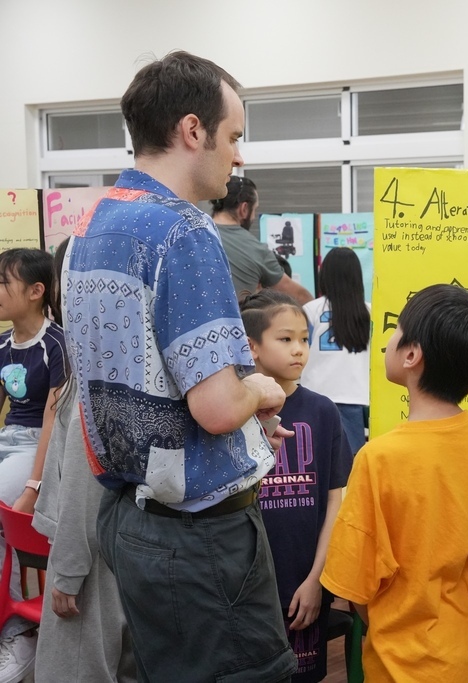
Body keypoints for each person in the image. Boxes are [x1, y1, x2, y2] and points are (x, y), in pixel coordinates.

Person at [62, 51, 297, 681]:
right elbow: (217, 407)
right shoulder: (183, 234)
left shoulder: (89, 227)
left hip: (129, 522)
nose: (239, 156)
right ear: (193, 131)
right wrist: (260, 388)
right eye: (234, 136)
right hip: (198, 542)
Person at [320, 283, 468, 682]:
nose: (387, 340)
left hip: (406, 663)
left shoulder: (378, 457)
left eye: (395, 329)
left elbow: (356, 589)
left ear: (412, 354)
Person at [33, 237, 136, 682]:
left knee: (77, 668)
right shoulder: (123, 362)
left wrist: (68, 572)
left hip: (89, 557)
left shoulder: (91, 377)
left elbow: (81, 485)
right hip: (125, 549)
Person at [239, 290, 351, 683]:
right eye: (285, 339)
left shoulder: (323, 411)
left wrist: (318, 579)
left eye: (304, 339)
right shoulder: (231, 412)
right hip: (246, 587)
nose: (299, 350)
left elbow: (336, 501)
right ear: (251, 346)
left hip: (304, 580)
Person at [0, 248, 65, 682]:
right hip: (8, 442)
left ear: (36, 291)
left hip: (39, 448)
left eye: (4, 283)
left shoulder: (56, 343)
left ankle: (19, 630)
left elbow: (52, 421)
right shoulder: (3, 344)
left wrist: (33, 485)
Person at [301, 247, 370, 456]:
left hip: (315, 396)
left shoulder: (310, 310)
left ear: (325, 275)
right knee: (351, 465)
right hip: (358, 398)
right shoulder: (369, 311)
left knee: (318, 461)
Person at [210, 175, 312, 304]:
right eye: (255, 209)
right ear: (244, 209)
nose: (253, 216)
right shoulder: (256, 250)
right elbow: (300, 296)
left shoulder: (192, 232)